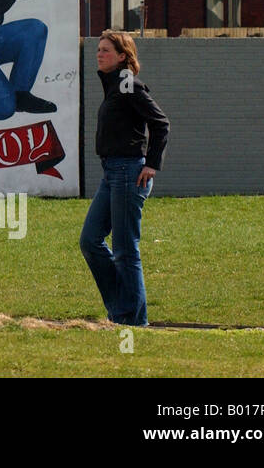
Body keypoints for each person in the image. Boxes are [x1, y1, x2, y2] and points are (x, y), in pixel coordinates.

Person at [80, 30, 170, 326]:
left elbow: (160, 123)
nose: (99, 53)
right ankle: (122, 311)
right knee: (90, 240)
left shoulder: (128, 83)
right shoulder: (114, 85)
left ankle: (134, 320)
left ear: (122, 56)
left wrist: (152, 164)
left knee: (125, 249)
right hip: (112, 172)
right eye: (99, 49)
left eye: (106, 50)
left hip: (129, 173)